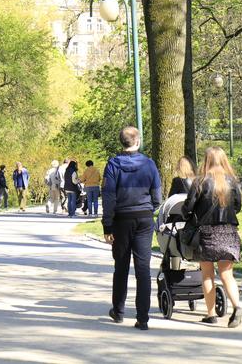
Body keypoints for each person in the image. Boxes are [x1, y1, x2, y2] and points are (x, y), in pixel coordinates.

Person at [102, 126, 161, 331]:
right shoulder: (149, 164)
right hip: (144, 218)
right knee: (143, 269)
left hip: (121, 219)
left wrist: (107, 224)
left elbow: (109, 196)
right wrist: (148, 209)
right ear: (137, 141)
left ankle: (118, 311)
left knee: (121, 267)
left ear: (122, 142)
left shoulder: (112, 165)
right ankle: (142, 317)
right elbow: (157, 197)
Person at [182, 147, 242, 328]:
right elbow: (238, 206)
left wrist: (189, 214)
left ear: (206, 161)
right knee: (227, 274)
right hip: (229, 232)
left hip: (206, 233)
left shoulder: (200, 182)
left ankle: (211, 314)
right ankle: (237, 306)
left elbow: (188, 208)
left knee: (207, 274)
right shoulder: (232, 182)